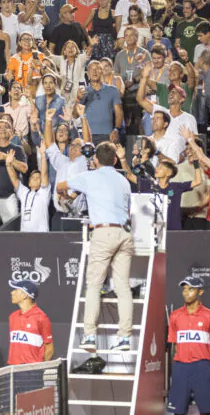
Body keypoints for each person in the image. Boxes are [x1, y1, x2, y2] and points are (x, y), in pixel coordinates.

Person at [57, 142, 133, 352]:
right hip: (125, 234)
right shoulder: (123, 180)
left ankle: (90, 336)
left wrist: (66, 193)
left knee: (93, 285)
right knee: (123, 287)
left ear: (96, 160)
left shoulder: (90, 176)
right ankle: (124, 339)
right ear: (115, 160)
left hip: (104, 233)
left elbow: (60, 186)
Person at [167, 276, 210, 415]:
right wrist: (180, 360)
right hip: (181, 367)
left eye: (191, 289)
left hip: (202, 366)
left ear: (200, 292)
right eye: (184, 289)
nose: (186, 293)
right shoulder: (175, 316)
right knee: (178, 411)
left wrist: (206, 361)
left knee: (207, 410)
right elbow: (175, 345)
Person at [8, 279, 54, 364]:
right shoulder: (13, 317)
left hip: (32, 370)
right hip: (13, 369)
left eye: (15, 290)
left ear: (24, 295)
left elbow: (49, 348)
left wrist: (40, 368)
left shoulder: (41, 318)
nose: (12, 292)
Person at [7, 146, 51, 232]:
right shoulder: (24, 193)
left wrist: (43, 155)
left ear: (42, 181)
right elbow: (14, 179)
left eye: (38, 177)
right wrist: (8, 165)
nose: (35, 178)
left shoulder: (44, 193)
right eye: (33, 177)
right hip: (25, 235)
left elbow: (44, 173)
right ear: (29, 183)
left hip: (41, 235)